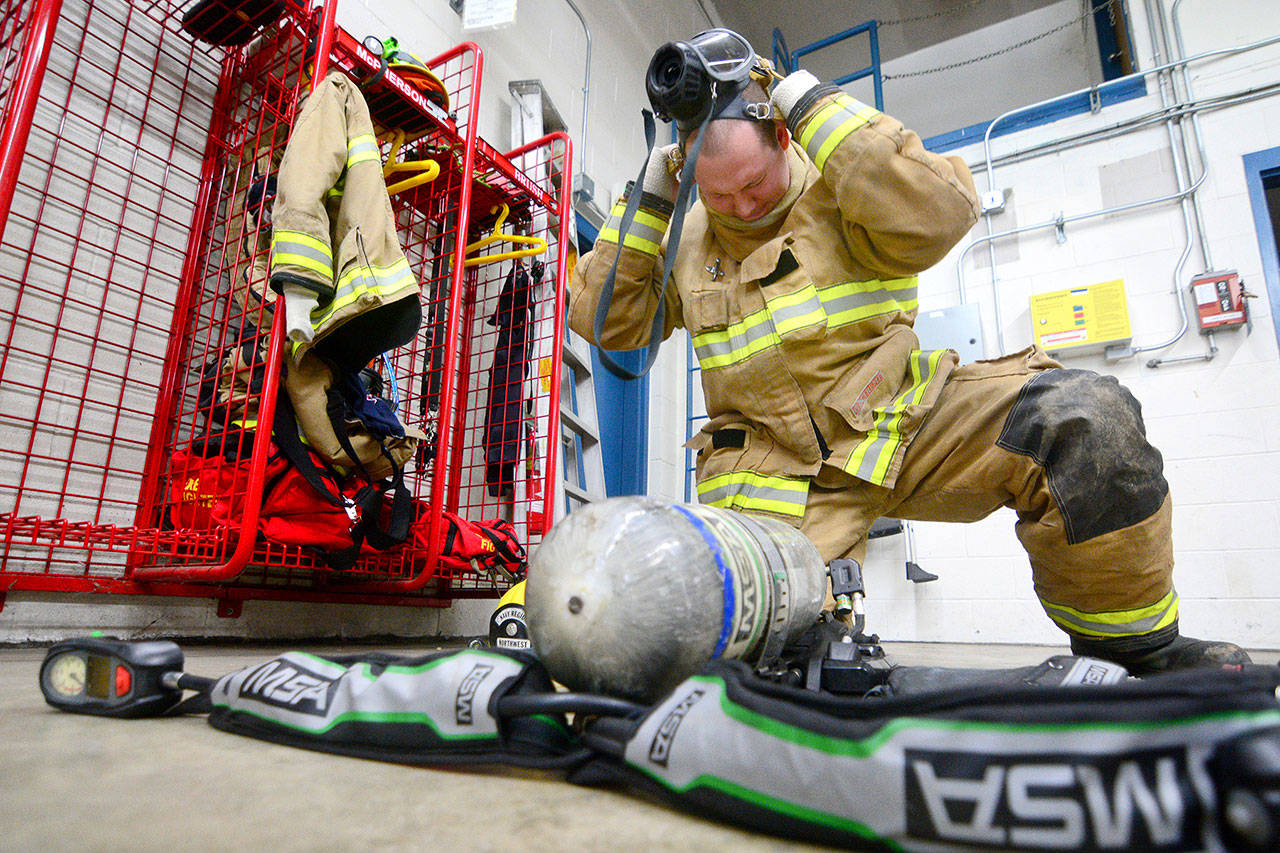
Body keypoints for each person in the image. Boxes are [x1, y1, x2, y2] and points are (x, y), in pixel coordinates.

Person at [567, 57, 1251, 676]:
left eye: (754, 184)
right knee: (775, 663)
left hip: (901, 421)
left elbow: (945, 211)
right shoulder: (684, 240)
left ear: (781, 136)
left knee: (1084, 419)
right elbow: (609, 325)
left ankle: (1135, 652)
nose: (743, 207)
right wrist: (651, 199)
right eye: (719, 195)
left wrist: (807, 100)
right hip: (771, 471)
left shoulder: (847, 183)